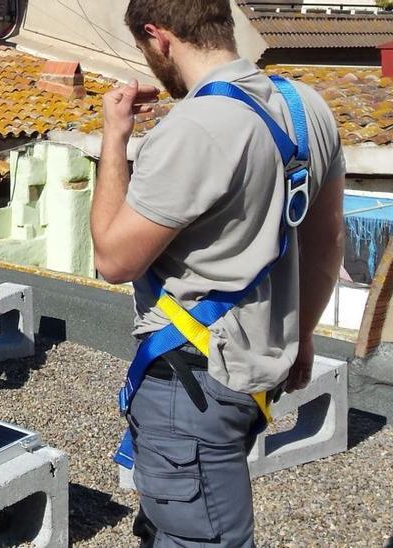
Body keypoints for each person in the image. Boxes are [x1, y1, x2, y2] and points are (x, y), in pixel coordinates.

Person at [90, 1, 345, 545]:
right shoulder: (309, 109)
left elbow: (113, 259)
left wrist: (115, 137)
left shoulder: (194, 129)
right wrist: (300, 341)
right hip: (253, 371)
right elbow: (327, 245)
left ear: (159, 38)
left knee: (202, 534)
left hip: (193, 382)